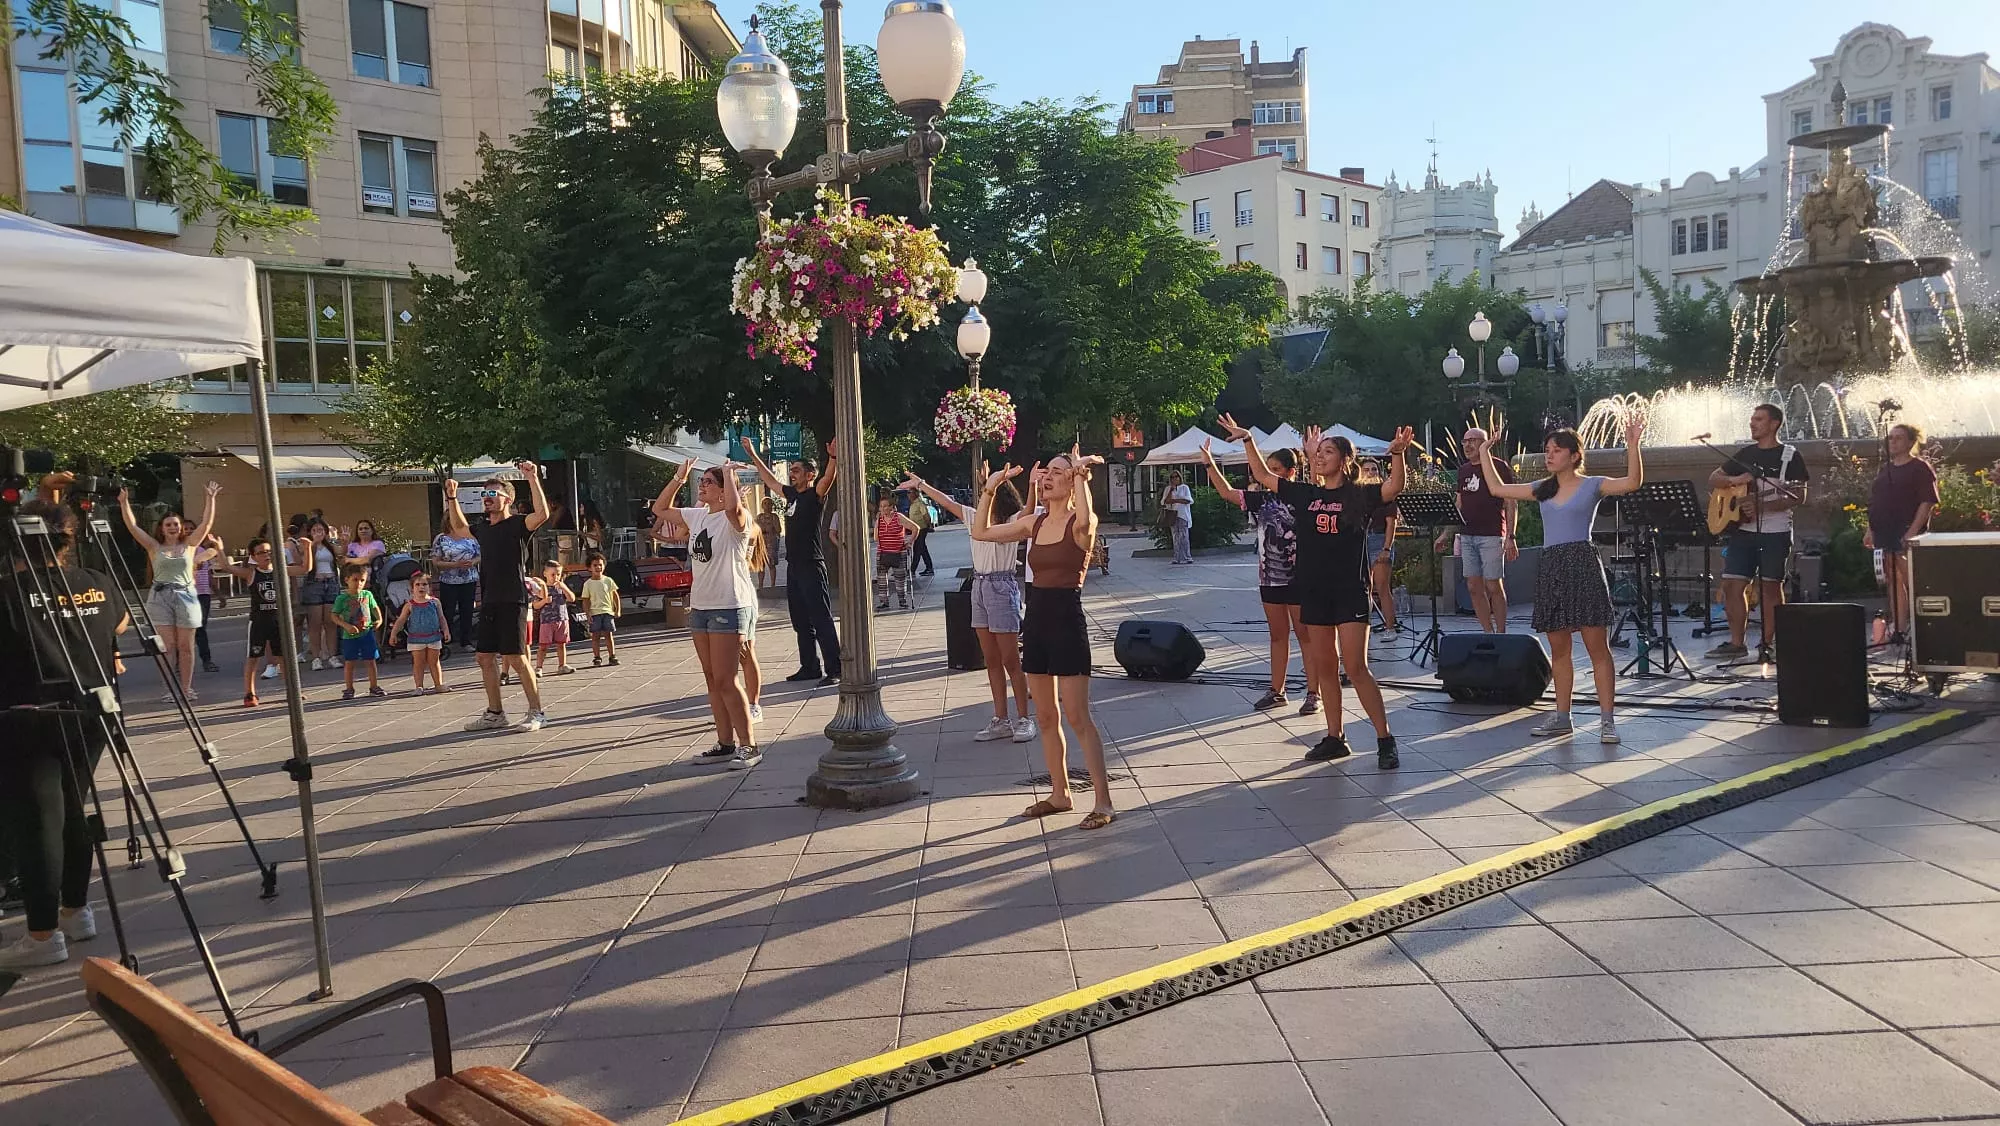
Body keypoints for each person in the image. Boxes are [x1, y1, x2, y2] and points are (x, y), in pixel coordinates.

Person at [1224, 414, 1413, 768]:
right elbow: (1265, 476)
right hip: (1313, 590)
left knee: (1356, 667)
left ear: (1345, 460)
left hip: (1350, 591)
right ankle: (1334, 736)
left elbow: (1393, 488)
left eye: (1329, 451)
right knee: (1325, 665)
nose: (1322, 456)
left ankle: (1384, 738)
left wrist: (1398, 455)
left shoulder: (1359, 494)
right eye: (1318, 451)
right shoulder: (1306, 494)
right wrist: (1248, 439)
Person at [0, 499, 129, 970]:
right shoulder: (95, 582)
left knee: (40, 821)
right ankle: (76, 910)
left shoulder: (8, 593)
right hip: (91, 714)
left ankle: (42, 933)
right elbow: (120, 622)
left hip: (28, 718)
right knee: (74, 808)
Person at [974, 447, 1116, 830]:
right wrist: (990, 488)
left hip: (1067, 620)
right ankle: (1060, 793)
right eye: (1047, 471)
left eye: (1058, 471)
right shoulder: (1033, 523)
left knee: (1077, 716)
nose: (1047, 476)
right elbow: (981, 532)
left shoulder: (1079, 522)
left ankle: (1103, 800)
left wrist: (1084, 478)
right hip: (1035, 620)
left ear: (1071, 481)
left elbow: (1087, 522)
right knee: (1046, 715)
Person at [1480, 422, 1646, 744]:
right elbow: (1498, 490)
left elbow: (1632, 482)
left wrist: (1633, 444)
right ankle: (1562, 717)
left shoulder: (1592, 484)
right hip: (1553, 565)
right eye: (1548, 450)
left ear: (1574, 456)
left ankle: (1608, 720)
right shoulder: (1543, 487)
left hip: (1582, 562)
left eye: (1557, 450)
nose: (1549, 455)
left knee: (1598, 647)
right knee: (1560, 649)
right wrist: (1486, 452)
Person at [903, 468, 1038, 743]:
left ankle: (1025, 718)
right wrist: (922, 484)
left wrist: (1033, 486)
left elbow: (1029, 513)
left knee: (1011, 658)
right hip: (979, 585)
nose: (981, 500)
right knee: (991, 659)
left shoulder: (1012, 520)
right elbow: (946, 502)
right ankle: (1001, 718)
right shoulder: (975, 518)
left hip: (1002, 585)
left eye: (987, 494)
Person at [653, 461, 760, 769]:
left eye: (709, 482)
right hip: (701, 607)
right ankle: (725, 743)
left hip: (729, 605)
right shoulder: (698, 515)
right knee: (712, 679)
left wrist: (729, 473)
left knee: (727, 679)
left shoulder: (735, 519)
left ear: (724, 490)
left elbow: (735, 510)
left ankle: (749, 746)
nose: (703, 486)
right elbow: (661, 509)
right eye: (703, 482)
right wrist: (678, 478)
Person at [1199, 439, 1315, 714]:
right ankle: (1278, 690)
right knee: (1277, 635)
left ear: (1290, 472)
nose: (1268, 474)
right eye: (1268, 468)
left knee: (1305, 635)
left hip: (1300, 577)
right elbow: (1227, 492)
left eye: (1275, 468)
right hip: (1270, 577)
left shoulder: (1301, 496)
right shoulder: (1262, 499)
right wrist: (1208, 463)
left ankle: (1314, 692)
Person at [444, 464, 552, 732]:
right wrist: (452, 497)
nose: (487, 497)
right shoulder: (483, 528)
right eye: (484, 494)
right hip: (490, 599)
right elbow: (458, 527)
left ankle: (537, 712)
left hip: (513, 598)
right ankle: (495, 713)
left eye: (493, 493)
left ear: (508, 499)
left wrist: (531, 477)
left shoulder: (517, 524)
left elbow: (542, 513)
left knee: (516, 658)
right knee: (483, 657)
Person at [1707, 403, 1810, 661]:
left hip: (1775, 531)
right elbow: (1714, 478)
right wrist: (1734, 481)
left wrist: (1761, 506)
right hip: (1742, 530)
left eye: (1759, 419)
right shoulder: (1745, 453)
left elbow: (1799, 495)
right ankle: (1736, 642)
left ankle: (1767, 643)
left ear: (1774, 424)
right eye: (1752, 419)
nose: (1752, 423)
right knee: (1732, 585)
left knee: (1770, 587)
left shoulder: (1789, 456)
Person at [740, 437, 840, 686]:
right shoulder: (792, 495)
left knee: (821, 617)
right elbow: (771, 481)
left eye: (796, 470)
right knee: (800, 620)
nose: (792, 474)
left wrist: (834, 458)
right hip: (794, 566)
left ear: (809, 474)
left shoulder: (815, 495)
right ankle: (809, 667)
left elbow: (828, 479)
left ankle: (835, 669)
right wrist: (753, 454)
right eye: (791, 470)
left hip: (812, 565)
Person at [116, 481, 222, 700]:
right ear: (162, 529)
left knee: (186, 645)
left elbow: (206, 523)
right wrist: (124, 503)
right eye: (168, 525)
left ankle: (186, 688)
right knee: (167, 646)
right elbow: (133, 527)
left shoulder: (190, 545)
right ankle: (169, 690)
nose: (173, 527)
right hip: (161, 596)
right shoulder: (154, 547)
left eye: (176, 524)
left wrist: (210, 499)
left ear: (180, 527)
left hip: (186, 595)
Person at [1438, 427, 1518, 634]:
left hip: (1491, 535)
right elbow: (1459, 503)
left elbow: (1511, 502)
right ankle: (1487, 633)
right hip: (1467, 534)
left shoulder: (1499, 467)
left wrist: (1511, 536)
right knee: (1473, 587)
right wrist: (1447, 533)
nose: (1468, 445)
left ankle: (1501, 633)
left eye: (1473, 440)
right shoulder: (1464, 470)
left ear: (1486, 443)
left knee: (1493, 586)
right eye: (1464, 441)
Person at [1865, 422, 1939, 640]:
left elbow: (1927, 502)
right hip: (1884, 531)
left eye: (1898, 437)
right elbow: (1876, 501)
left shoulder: (1920, 468)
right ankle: (1898, 627)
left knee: (1911, 580)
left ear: (1911, 442)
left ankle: (1924, 627)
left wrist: (1913, 531)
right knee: (1893, 580)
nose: (1893, 441)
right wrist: (1870, 530)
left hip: (1906, 530)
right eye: (1890, 438)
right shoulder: (1886, 468)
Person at [222, 538, 284, 707]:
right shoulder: (252, 573)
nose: (267, 555)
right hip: (259, 621)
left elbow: (304, 568)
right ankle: (250, 693)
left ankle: (291, 690)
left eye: (269, 551)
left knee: (283, 657)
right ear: (253, 557)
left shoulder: (280, 570)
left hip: (278, 619)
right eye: (261, 552)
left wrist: (308, 548)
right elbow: (227, 567)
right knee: (253, 657)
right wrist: (219, 549)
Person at [430, 517, 481, 661]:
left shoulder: (470, 535)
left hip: (469, 579)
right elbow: (436, 562)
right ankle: (447, 639)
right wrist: (455, 565)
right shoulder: (441, 539)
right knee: (448, 611)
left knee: (467, 611)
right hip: (449, 580)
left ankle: (466, 640)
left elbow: (479, 555)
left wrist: (472, 562)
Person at [391, 572, 450, 694]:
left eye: (424, 584)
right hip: (416, 638)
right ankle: (419, 686)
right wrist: (393, 633)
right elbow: (401, 620)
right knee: (418, 663)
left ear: (429, 587)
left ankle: (438, 684)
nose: (421, 587)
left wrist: (446, 630)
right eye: (417, 585)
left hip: (434, 636)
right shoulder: (409, 605)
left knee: (434, 662)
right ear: (412, 589)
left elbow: (441, 617)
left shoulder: (435, 602)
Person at [334, 562, 385, 699]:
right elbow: (334, 615)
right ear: (347, 580)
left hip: (366, 633)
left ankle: (374, 686)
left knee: (371, 660)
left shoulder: (367, 595)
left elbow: (374, 607)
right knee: (350, 662)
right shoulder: (342, 598)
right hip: (350, 635)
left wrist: (378, 620)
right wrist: (345, 625)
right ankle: (349, 688)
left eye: (362, 580)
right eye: (355, 580)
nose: (359, 583)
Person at [297, 516, 342, 670]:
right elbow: (305, 561)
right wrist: (314, 543)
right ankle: (316, 657)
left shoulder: (329, 546)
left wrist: (345, 541)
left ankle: (332, 655)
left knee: (330, 622)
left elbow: (341, 554)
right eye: (315, 530)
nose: (318, 533)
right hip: (314, 584)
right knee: (314, 623)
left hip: (330, 583)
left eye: (321, 530)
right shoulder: (307, 545)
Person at [1362, 464, 1401, 632]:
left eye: (1374, 469)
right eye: (1367, 469)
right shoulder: (1358, 494)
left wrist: (1387, 548)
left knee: (1382, 587)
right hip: (1362, 540)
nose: (1371, 473)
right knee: (1363, 588)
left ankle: (1390, 627)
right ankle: (1363, 626)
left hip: (1379, 539)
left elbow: (1391, 523)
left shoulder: (1386, 494)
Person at [872, 494, 921, 611]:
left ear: (892, 507)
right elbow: (875, 538)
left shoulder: (898, 517)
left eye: (885, 506)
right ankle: (884, 602)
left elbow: (916, 528)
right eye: (881, 507)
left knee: (900, 578)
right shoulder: (880, 520)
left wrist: (910, 541)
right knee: (881, 579)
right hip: (883, 552)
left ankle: (902, 601)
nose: (883, 509)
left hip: (898, 552)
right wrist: (876, 525)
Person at [532, 560, 577, 676]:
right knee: (543, 646)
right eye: (553, 574)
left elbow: (572, 599)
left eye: (558, 574)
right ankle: (539, 667)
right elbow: (535, 605)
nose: (556, 577)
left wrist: (564, 588)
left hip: (562, 618)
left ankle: (562, 665)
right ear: (545, 574)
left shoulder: (561, 586)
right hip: (547, 620)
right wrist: (544, 601)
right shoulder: (542, 589)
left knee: (561, 644)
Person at [580, 551, 621, 666]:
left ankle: (612, 655)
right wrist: (587, 614)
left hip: (607, 611)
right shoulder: (588, 584)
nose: (598, 567)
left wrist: (617, 609)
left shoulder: (608, 580)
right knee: (595, 636)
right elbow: (586, 600)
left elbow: (615, 595)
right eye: (595, 565)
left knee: (608, 634)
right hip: (595, 613)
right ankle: (597, 656)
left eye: (600, 565)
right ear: (589, 568)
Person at [193, 535, 221, 673]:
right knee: (183, 630)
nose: (190, 532)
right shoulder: (182, 550)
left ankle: (206, 660)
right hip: (187, 593)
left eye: (192, 529)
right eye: (186, 529)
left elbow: (209, 574)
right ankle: (178, 664)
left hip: (203, 594)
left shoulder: (203, 551)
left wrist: (219, 594)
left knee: (200, 627)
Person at [1162, 470, 1194, 564]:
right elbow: (1165, 501)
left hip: (1183, 515)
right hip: (1172, 515)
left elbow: (1188, 500)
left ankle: (1187, 556)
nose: (1174, 479)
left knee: (1184, 536)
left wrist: (1175, 500)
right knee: (1175, 537)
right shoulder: (1168, 489)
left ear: (1180, 478)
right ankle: (1176, 557)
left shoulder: (1184, 488)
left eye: (1176, 477)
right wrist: (1171, 491)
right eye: (1172, 477)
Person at [754, 498, 784, 589]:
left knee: (772, 564)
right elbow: (755, 529)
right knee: (761, 566)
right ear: (762, 505)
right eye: (765, 503)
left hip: (771, 543)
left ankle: (773, 585)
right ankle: (760, 585)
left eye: (769, 504)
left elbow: (779, 530)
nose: (767, 506)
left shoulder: (774, 517)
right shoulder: (759, 517)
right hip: (761, 543)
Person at [908, 490, 937, 576]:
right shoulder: (913, 504)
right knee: (922, 549)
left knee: (917, 549)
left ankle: (912, 570)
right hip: (916, 529)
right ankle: (929, 568)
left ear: (915, 493)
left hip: (921, 529)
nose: (908, 495)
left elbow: (926, 515)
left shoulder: (919, 503)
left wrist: (929, 525)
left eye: (910, 492)